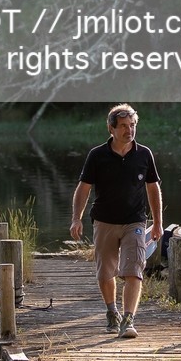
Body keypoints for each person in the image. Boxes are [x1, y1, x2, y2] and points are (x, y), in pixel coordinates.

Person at [68, 103, 162, 338]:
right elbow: (83, 189)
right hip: (104, 221)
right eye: (123, 126)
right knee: (105, 273)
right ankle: (112, 311)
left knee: (134, 271)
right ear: (111, 129)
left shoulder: (144, 154)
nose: (129, 130)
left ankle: (128, 320)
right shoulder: (97, 155)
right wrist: (76, 219)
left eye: (132, 126)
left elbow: (153, 189)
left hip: (135, 222)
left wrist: (158, 222)